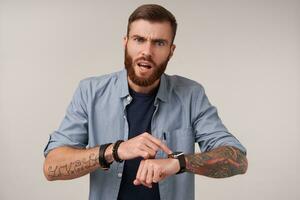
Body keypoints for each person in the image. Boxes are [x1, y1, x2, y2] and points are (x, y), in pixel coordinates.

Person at [43, 4, 248, 200]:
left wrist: (178, 163)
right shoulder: (89, 92)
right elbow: (52, 166)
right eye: (139, 39)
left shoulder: (191, 95)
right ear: (125, 42)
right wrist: (114, 150)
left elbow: (238, 160)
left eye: (159, 43)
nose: (147, 52)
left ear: (171, 50)